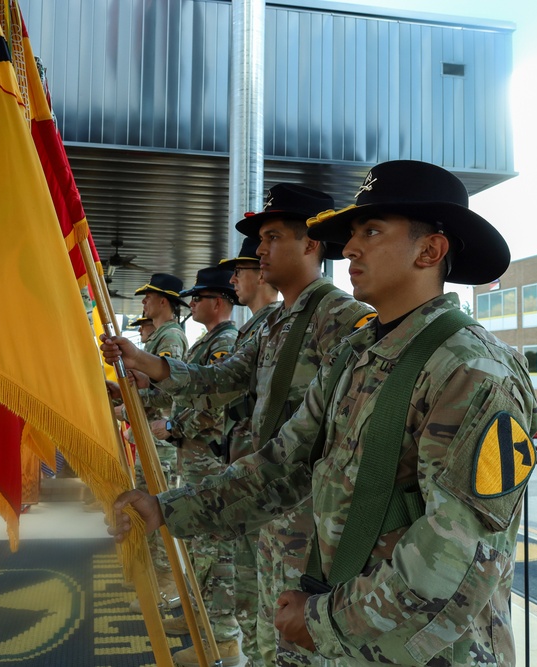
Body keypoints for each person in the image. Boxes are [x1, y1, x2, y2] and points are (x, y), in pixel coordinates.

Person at [104, 160, 537, 665]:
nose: (350, 248)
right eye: (352, 234)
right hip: (347, 631)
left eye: (371, 231)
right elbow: (282, 463)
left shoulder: (476, 372)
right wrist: (168, 508)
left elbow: (459, 556)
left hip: (427, 650)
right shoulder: (357, 354)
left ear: (431, 249)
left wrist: (324, 621)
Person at [105, 183, 371, 667]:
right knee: (263, 624)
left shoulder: (344, 318)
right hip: (264, 501)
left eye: (271, 238)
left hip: (309, 514)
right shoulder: (273, 323)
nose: (260, 251)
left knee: (300, 644)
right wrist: (145, 360)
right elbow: (223, 378)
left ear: (311, 245)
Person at [145, 267, 241, 665]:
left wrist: (173, 426)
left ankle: (221, 640)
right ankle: (196, 617)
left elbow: (216, 404)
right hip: (196, 459)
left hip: (209, 460)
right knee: (198, 549)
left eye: (198, 299)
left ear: (217, 302)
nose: (192, 305)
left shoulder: (227, 342)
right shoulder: (208, 341)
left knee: (214, 553)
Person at [217, 234, 280, 666]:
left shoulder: (279, 325)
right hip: (245, 470)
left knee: (263, 590)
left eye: (239, 271)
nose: (234, 279)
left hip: (267, 479)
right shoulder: (258, 328)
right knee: (247, 583)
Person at [127, 273, 190, 608]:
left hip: (161, 441)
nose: (143, 303)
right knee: (147, 507)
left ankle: (166, 584)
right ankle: (157, 579)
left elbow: (166, 389)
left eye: (148, 297)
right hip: (151, 436)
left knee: (159, 509)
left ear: (164, 301)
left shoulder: (171, 338)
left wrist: (132, 400)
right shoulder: (160, 338)